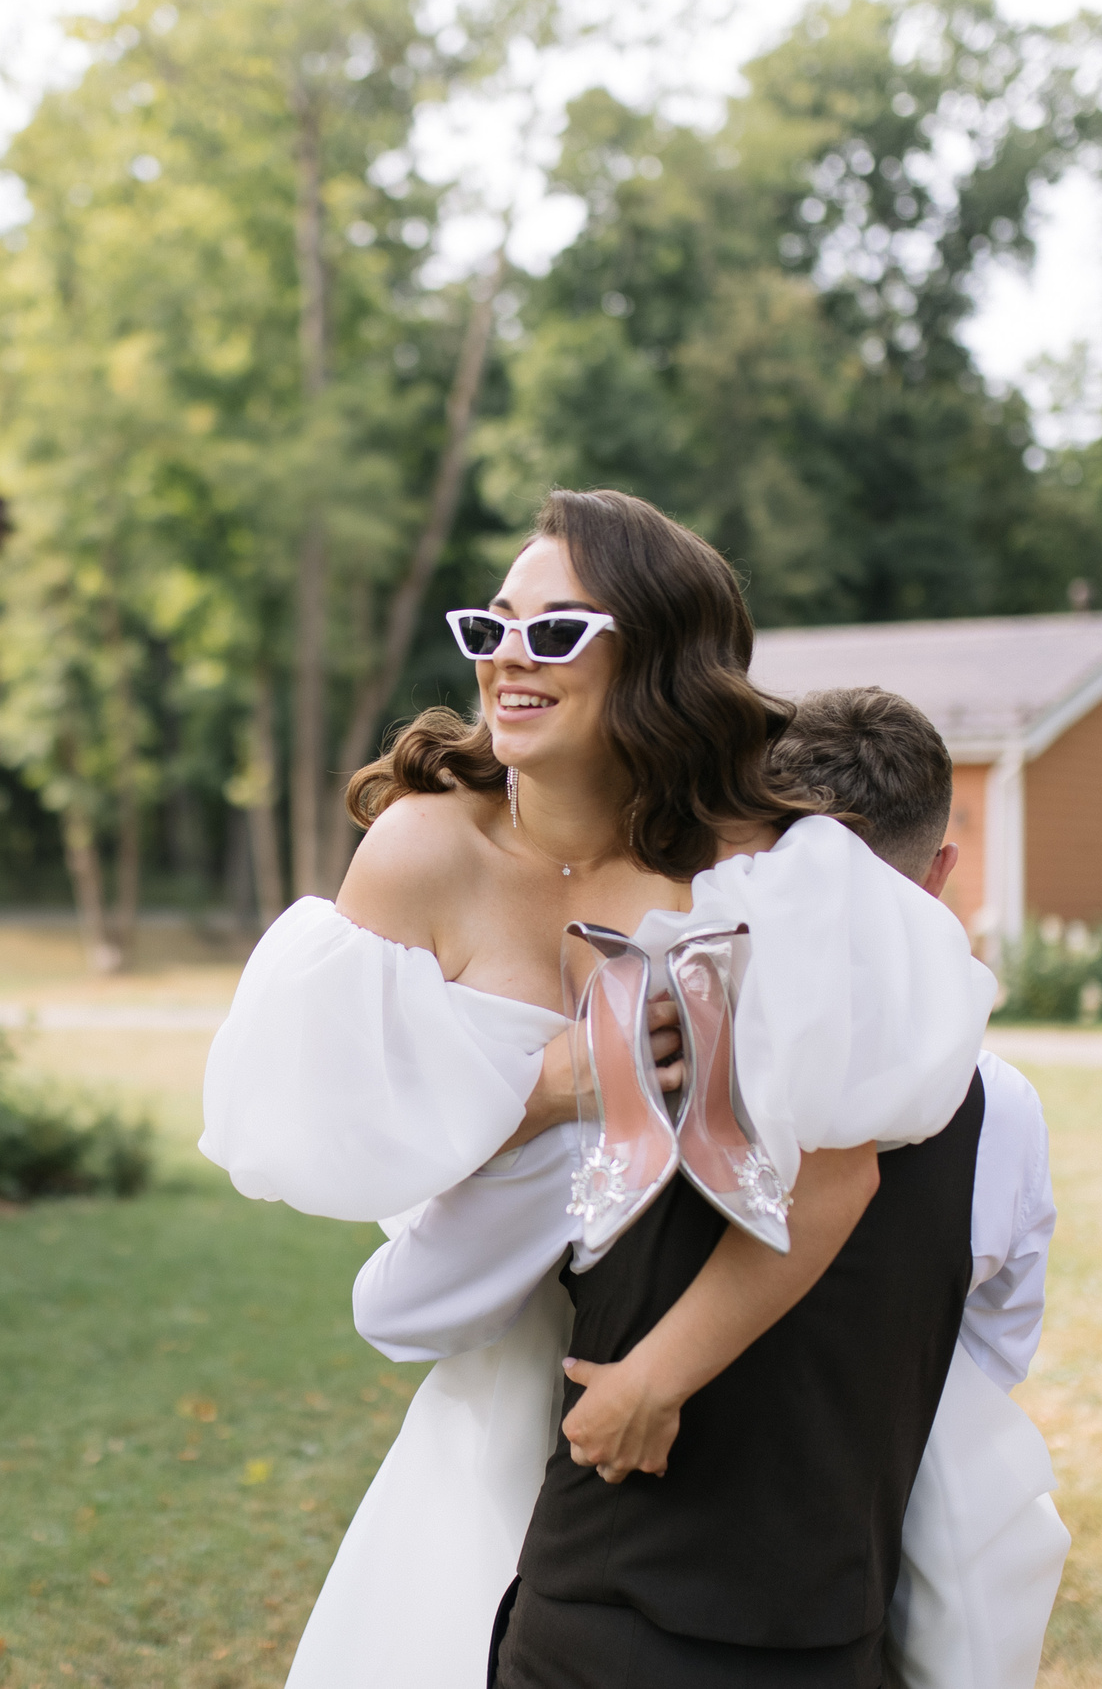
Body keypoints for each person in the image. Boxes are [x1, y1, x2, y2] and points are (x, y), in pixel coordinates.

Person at [199, 490, 996, 1685]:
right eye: (493, 628)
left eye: (558, 633)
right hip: (481, 1339)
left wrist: (655, 1379)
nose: (510, 661)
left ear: (663, 664)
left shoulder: (747, 873)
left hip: (686, 1388)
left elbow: (840, 1170)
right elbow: (336, 1143)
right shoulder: (424, 852)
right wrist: (557, 1085)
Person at [352, 686, 1067, 1689]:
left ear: (740, 862)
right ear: (937, 875)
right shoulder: (1002, 1119)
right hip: (834, 1641)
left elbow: (416, 1308)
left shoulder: (619, 1073)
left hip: (601, 1640)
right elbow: (974, 1381)